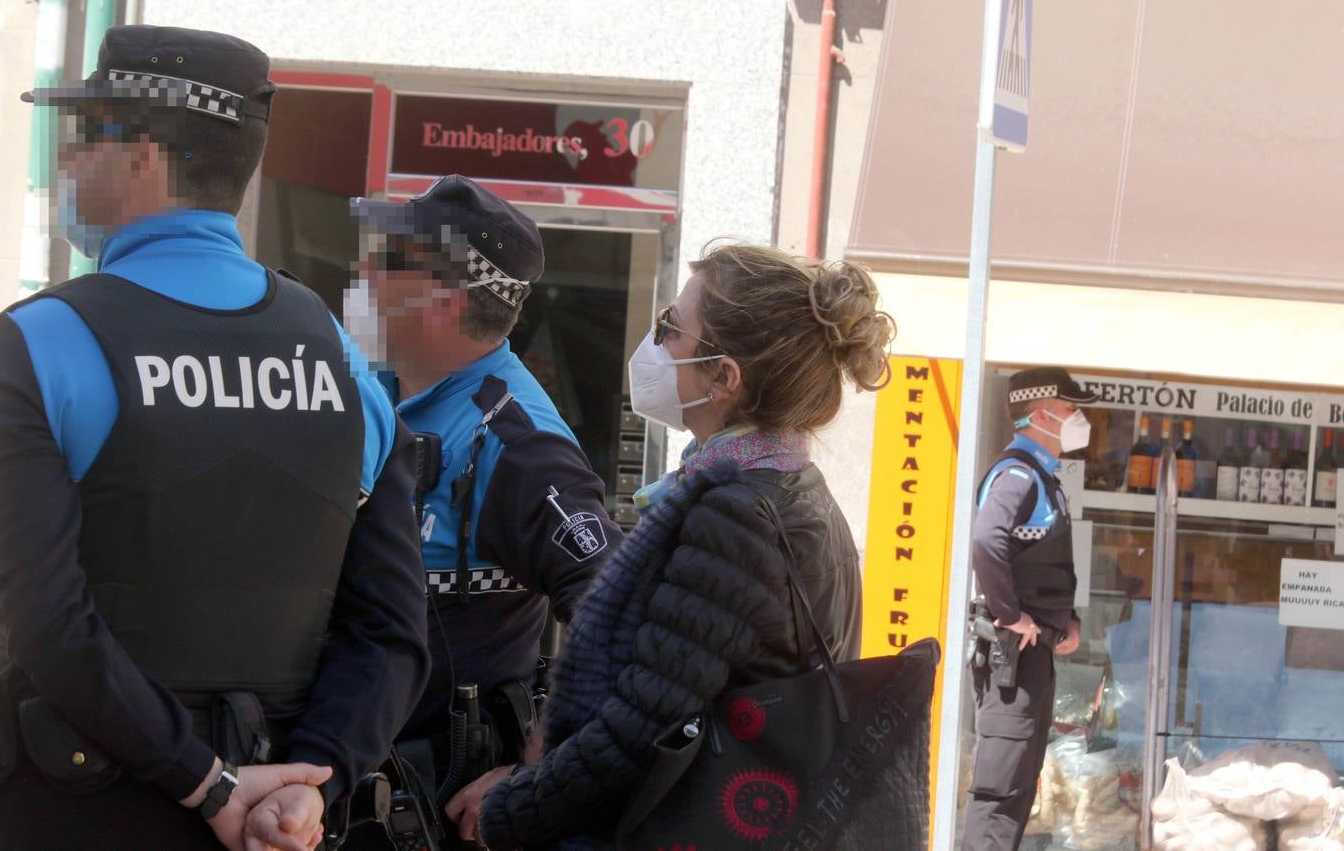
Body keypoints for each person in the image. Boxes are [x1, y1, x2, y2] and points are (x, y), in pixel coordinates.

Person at [0, 25, 430, 849]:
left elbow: (46, 624)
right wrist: (310, 786)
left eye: (82, 140)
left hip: (77, 806)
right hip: (283, 822)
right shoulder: (343, 360)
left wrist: (209, 785)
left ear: (140, 159)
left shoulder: (38, 344)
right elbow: (393, 630)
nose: (65, 166)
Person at [476, 242, 895, 849]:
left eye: (670, 328)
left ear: (724, 377)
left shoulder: (735, 512)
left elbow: (642, 724)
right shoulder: (789, 485)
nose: (652, 345)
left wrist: (506, 811)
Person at [344, 175, 623, 841]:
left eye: (388, 260)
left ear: (442, 297)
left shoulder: (515, 441)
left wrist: (538, 769)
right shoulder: (377, 394)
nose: (362, 273)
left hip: (432, 808)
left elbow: (618, 615)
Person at [963, 366, 1093, 851]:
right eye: (1070, 410)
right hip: (1010, 658)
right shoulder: (1017, 473)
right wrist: (1009, 613)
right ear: (1040, 415)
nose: (1080, 419)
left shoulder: (1041, 475)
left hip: (1030, 654)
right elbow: (986, 539)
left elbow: (1038, 563)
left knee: (1018, 782)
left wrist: (1065, 622)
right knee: (1000, 789)